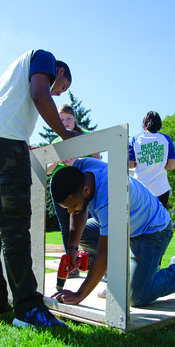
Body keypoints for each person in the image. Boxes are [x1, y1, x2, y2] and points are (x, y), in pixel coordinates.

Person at [0, 49, 78, 328]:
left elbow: (29, 99)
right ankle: (28, 308)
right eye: (61, 87)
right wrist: (64, 135)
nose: (57, 94)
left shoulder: (16, 68)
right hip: (4, 141)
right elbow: (39, 95)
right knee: (15, 227)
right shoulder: (45, 57)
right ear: (60, 71)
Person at [50, 158, 175, 306]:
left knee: (136, 295)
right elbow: (78, 212)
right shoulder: (80, 168)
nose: (71, 211)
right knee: (81, 233)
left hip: (152, 230)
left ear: (86, 189)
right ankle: (122, 275)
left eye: (72, 205)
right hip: (126, 226)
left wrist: (79, 295)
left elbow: (105, 255)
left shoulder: (110, 197)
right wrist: (72, 249)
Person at [47, 104, 101, 268]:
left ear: (75, 118)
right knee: (65, 226)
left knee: (90, 224)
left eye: (68, 118)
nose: (65, 122)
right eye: (61, 119)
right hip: (60, 188)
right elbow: (48, 170)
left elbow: (98, 161)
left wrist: (76, 159)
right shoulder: (56, 141)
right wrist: (58, 157)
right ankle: (71, 265)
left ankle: (97, 262)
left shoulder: (85, 135)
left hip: (82, 187)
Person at [129, 111, 175, 208]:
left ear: (144, 126)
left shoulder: (134, 139)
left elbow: (131, 165)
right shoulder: (166, 139)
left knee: (142, 220)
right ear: (159, 126)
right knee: (158, 220)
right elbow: (171, 166)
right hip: (161, 188)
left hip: (141, 187)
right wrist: (159, 163)